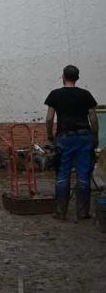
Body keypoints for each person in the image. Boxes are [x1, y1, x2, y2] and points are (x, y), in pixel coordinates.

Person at [45, 65, 99, 221]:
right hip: (84, 138)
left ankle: (60, 212)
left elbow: (49, 119)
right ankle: (82, 212)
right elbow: (93, 120)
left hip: (65, 138)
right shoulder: (86, 95)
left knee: (63, 174)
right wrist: (94, 137)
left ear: (63, 77)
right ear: (77, 78)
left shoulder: (55, 95)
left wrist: (50, 136)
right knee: (83, 174)